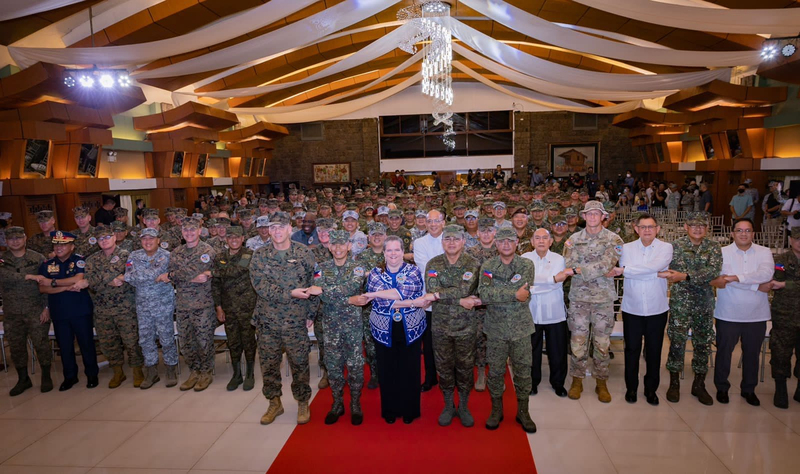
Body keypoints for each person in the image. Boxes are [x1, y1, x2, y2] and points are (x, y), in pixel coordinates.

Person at [250, 212, 315, 425]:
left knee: (300, 363)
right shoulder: (259, 255)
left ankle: (302, 401)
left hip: (296, 320)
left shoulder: (304, 253)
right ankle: (274, 402)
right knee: (269, 364)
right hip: (267, 320)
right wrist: (290, 293)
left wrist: (311, 313)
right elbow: (260, 286)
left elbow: (314, 284)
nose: (277, 231)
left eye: (281, 227)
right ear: (269, 230)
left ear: (289, 229)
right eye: (273, 227)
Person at [307, 230, 369, 425]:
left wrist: (325, 290)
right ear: (329, 246)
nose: (338, 248)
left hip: (353, 326)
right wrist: (349, 300)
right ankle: (337, 403)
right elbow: (323, 294)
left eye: (342, 244)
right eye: (334, 244)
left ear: (349, 246)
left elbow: (351, 287)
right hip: (330, 326)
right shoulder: (321, 267)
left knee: (355, 366)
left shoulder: (358, 267)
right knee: (333, 366)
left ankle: (355, 404)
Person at [563, 201, 623, 403]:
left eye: (597, 213)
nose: (592, 217)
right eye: (589, 213)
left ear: (603, 216)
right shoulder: (573, 239)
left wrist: (582, 269)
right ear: (584, 216)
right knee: (577, 341)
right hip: (579, 298)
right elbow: (569, 264)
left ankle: (601, 382)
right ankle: (577, 379)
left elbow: (609, 263)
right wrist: (597, 269)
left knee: (602, 343)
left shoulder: (614, 239)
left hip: (603, 300)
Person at [421, 225, 481, 427]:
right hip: (441, 327)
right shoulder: (433, 264)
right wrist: (459, 300)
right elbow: (432, 290)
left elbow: (466, 288)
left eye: (456, 239)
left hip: (466, 327)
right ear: (442, 242)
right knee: (444, 368)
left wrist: (440, 295)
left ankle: (463, 406)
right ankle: (448, 405)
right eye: (448, 239)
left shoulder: (473, 264)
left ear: (463, 241)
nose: (452, 242)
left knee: (465, 368)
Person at [609, 214, 672, 405]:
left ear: (658, 229)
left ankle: (651, 390)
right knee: (631, 350)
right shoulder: (625, 248)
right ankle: (631, 388)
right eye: (643, 227)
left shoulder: (666, 247)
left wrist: (627, 270)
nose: (647, 230)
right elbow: (650, 270)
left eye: (651, 227)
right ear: (636, 229)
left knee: (654, 351)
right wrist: (653, 273)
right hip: (632, 308)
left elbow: (655, 266)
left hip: (657, 308)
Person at [478, 227, 537, 433]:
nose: (505, 244)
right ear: (496, 244)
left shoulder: (526, 264)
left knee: (523, 372)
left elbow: (524, 293)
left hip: (521, 328)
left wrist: (499, 292)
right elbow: (484, 294)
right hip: (495, 329)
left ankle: (523, 411)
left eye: (510, 241)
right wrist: (513, 294)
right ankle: (496, 410)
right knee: (495, 372)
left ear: (516, 243)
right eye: (502, 241)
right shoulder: (488, 266)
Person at [363, 235, 427, 424]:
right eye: (389, 250)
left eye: (397, 250)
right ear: (383, 253)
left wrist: (374, 294)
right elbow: (381, 303)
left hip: (411, 327)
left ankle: (410, 410)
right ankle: (390, 410)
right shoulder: (375, 273)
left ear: (403, 252)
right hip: (383, 328)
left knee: (410, 370)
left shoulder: (413, 271)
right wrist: (413, 302)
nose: (393, 254)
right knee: (387, 370)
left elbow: (403, 292)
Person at [711, 218, 774, 406]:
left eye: (748, 230)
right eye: (739, 230)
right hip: (728, 312)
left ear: (753, 233)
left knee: (752, 354)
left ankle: (749, 389)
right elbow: (720, 280)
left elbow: (766, 275)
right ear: (732, 233)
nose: (743, 234)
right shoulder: (721, 252)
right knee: (724, 352)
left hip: (756, 314)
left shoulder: (764, 252)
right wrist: (755, 286)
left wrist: (734, 278)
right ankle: (722, 387)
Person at [663, 211, 721, 405]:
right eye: (693, 225)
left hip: (704, 303)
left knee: (703, 343)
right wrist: (691, 276)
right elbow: (673, 271)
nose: (698, 229)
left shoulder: (713, 247)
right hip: (681, 303)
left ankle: (699, 384)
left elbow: (713, 271)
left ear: (707, 228)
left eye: (702, 225)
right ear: (686, 227)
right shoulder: (675, 246)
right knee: (677, 341)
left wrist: (685, 276)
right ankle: (674, 383)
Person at [76, 225, 144, 389]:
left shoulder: (127, 255)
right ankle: (117, 371)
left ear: (114, 237)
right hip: (102, 309)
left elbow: (131, 276)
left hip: (125, 307)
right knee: (108, 342)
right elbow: (90, 283)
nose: (104, 241)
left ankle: (137, 370)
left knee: (131, 341)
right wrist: (111, 279)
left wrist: (101, 280)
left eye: (107, 237)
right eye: (100, 238)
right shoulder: (92, 260)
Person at [35, 231, 99, 391]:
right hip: (59, 312)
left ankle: (92, 374)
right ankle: (70, 377)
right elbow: (42, 288)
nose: (59, 248)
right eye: (56, 244)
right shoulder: (47, 264)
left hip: (80, 310)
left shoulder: (79, 260)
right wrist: (65, 286)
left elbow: (78, 279)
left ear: (72, 246)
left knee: (86, 344)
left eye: (63, 245)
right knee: (64, 347)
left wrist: (53, 282)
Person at [160, 216, 217, 391]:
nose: (189, 232)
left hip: (203, 305)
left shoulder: (207, 250)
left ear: (199, 230)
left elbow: (180, 273)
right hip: (183, 305)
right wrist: (178, 276)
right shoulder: (176, 252)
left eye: (193, 229)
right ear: (181, 232)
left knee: (204, 341)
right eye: (186, 230)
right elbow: (176, 273)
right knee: (186, 342)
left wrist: (173, 276)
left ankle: (206, 372)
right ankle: (194, 371)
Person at [124, 227, 179, 389]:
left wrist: (141, 275)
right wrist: (154, 275)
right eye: (144, 239)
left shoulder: (167, 256)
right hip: (143, 305)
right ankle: (151, 371)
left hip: (163, 304)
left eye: (151, 238)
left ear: (158, 240)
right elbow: (128, 276)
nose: (147, 242)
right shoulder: (134, 255)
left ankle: (170, 368)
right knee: (145, 339)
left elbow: (141, 276)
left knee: (166, 337)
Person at [0, 227, 52, 395]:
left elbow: (46, 283)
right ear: (6, 241)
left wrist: (46, 307)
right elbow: (3, 276)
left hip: (35, 309)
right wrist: (28, 276)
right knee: (16, 347)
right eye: (11, 239)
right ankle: (23, 379)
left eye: (18, 238)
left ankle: (46, 376)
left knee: (41, 343)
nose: (15, 241)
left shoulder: (37, 258)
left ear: (25, 238)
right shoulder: (2, 259)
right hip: (12, 312)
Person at [521, 228, 569, 398]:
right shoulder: (525, 258)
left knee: (557, 351)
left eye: (544, 238)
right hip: (531, 312)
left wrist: (535, 286)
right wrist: (551, 279)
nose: (541, 241)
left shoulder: (559, 259)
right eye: (537, 238)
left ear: (550, 242)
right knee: (531, 350)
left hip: (554, 312)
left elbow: (557, 285)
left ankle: (558, 383)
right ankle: (532, 383)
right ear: (532, 242)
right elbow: (525, 283)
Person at [212, 226, 257, 391]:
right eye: (230, 237)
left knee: (248, 340)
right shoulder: (220, 256)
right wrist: (218, 307)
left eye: (237, 237)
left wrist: (215, 271)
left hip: (247, 306)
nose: (234, 240)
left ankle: (250, 373)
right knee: (233, 341)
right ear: (226, 239)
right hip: (228, 307)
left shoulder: (248, 254)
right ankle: (237, 374)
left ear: (242, 238)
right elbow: (215, 284)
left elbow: (239, 270)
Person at [766, 227, 800, 408]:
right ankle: (780, 389)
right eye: (797, 239)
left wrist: (787, 284)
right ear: (791, 240)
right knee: (780, 353)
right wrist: (786, 284)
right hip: (785, 315)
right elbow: (776, 282)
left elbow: (782, 283)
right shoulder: (781, 260)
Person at [413, 209, 445, 391]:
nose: (433, 224)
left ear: (443, 223)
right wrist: (446, 272)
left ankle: (449, 377)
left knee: (448, 341)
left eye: (437, 221)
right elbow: (426, 268)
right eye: (430, 221)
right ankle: (431, 377)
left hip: (449, 299)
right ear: (425, 224)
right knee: (429, 342)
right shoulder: (419, 243)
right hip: (427, 300)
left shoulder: (451, 239)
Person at [467, 217, 498, 391]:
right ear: (477, 233)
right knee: (479, 337)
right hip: (478, 303)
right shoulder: (469, 253)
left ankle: (495, 373)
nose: (486, 234)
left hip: (498, 303)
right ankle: (480, 371)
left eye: (489, 230)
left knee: (496, 338)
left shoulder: (503, 251)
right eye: (483, 231)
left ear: (495, 232)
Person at [356, 222, 387, 389]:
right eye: (374, 234)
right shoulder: (361, 257)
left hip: (390, 306)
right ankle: (375, 374)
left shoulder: (392, 253)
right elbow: (358, 279)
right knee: (370, 342)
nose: (377, 237)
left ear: (385, 237)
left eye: (380, 234)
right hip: (369, 307)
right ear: (369, 237)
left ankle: (389, 371)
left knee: (389, 340)